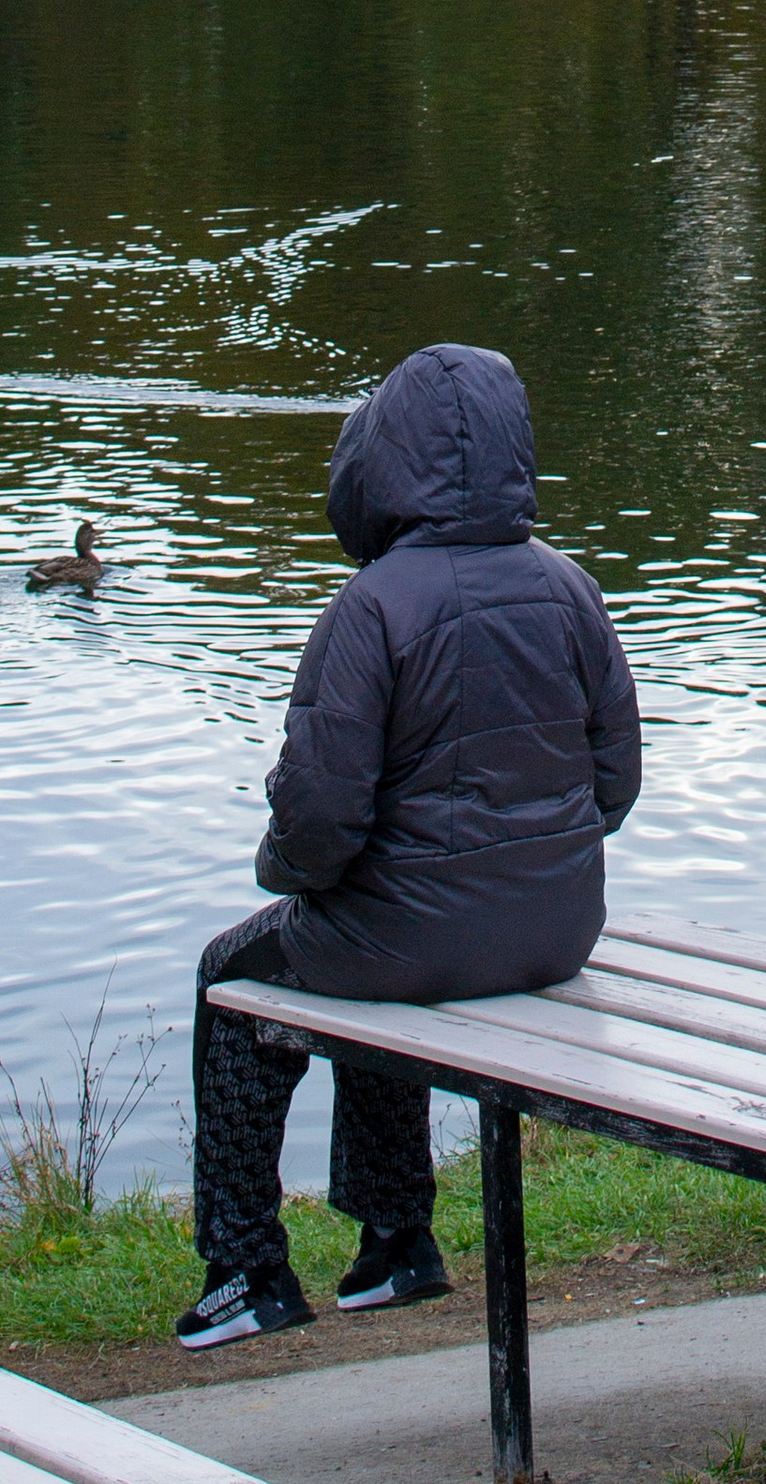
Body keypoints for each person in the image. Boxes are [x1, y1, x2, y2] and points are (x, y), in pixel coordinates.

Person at [180, 341, 642, 1345]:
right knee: (372, 954)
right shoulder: (570, 588)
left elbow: (318, 820)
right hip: (557, 930)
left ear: (383, 459)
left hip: (406, 939)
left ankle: (245, 1268)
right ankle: (394, 1244)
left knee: (234, 981)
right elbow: (616, 786)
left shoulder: (370, 606)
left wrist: (285, 875)